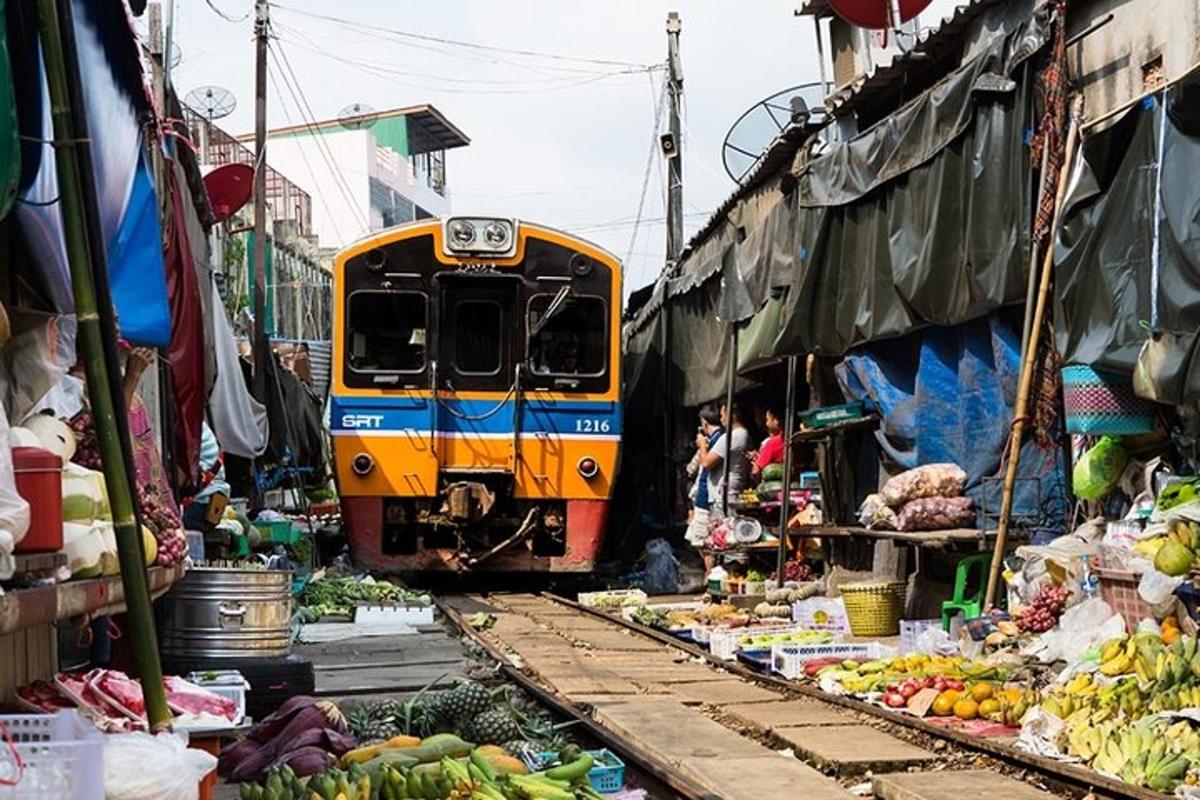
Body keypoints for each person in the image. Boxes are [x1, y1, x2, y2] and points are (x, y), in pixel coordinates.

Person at [686, 405, 723, 572]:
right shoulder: (715, 439)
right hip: (703, 496)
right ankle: (711, 575)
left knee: (703, 540)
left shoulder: (716, 440)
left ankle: (711, 576)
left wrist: (701, 445)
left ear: (704, 423)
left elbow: (706, 462)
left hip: (707, 497)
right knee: (698, 538)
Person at [749, 405, 786, 482]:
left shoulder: (772, 443)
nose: (766, 424)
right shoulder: (792, 439)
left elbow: (756, 472)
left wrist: (754, 464)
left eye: (767, 420)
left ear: (776, 420)